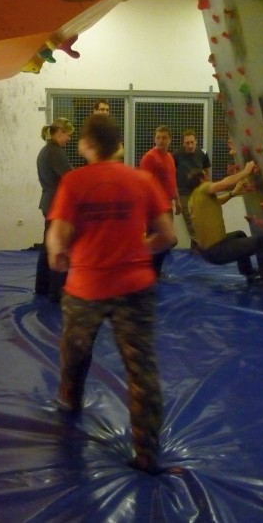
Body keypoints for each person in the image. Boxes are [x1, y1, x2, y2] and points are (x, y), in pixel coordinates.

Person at [46, 113, 176, 474]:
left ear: (86, 145)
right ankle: (148, 454)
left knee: (75, 350)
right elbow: (168, 236)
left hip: (86, 287)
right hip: (134, 286)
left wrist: (62, 258)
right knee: (141, 370)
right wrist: (136, 248)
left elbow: (57, 241)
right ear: (119, 145)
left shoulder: (74, 182)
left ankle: (69, 400)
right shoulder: (142, 180)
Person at [189, 160, 263, 286]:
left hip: (208, 252)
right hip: (216, 251)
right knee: (262, 242)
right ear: (202, 178)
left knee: (239, 234)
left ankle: (249, 272)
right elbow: (225, 183)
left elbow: (218, 201)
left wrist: (233, 193)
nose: (209, 178)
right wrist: (246, 171)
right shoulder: (203, 188)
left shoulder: (195, 198)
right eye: (206, 175)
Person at [35, 117, 74, 302]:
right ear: (59, 132)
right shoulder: (55, 152)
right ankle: (56, 291)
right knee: (58, 248)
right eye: (68, 135)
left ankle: (43, 287)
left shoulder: (45, 151)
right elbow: (70, 176)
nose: (69, 139)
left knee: (47, 248)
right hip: (56, 204)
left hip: (48, 202)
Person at [138, 124, 180, 276]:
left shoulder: (169, 157)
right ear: (154, 139)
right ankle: (148, 270)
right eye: (158, 138)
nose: (161, 141)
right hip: (154, 209)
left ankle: (156, 270)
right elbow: (144, 184)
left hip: (167, 206)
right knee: (159, 240)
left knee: (165, 242)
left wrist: (178, 200)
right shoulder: (149, 158)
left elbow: (172, 181)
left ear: (170, 140)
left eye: (164, 138)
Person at [172, 129, 211, 247]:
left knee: (199, 217)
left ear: (196, 142)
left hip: (198, 190)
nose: (190, 145)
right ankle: (200, 245)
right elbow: (172, 172)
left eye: (192, 142)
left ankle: (196, 246)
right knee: (188, 218)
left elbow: (207, 171)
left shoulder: (203, 153)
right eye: (187, 143)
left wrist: (208, 187)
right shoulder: (177, 154)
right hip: (183, 191)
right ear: (183, 143)